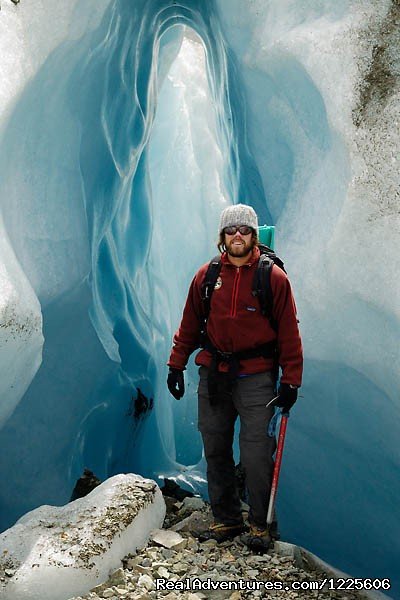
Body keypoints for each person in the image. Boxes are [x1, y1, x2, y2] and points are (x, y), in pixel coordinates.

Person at [167, 204, 303, 552]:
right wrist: (176, 365)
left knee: (257, 453)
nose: (237, 235)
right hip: (214, 373)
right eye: (231, 230)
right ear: (222, 237)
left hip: (257, 375)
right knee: (215, 447)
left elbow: (289, 333)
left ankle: (261, 525)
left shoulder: (272, 278)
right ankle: (226, 518)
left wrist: (291, 381)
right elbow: (188, 324)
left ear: (254, 235)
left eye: (244, 229)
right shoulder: (207, 276)